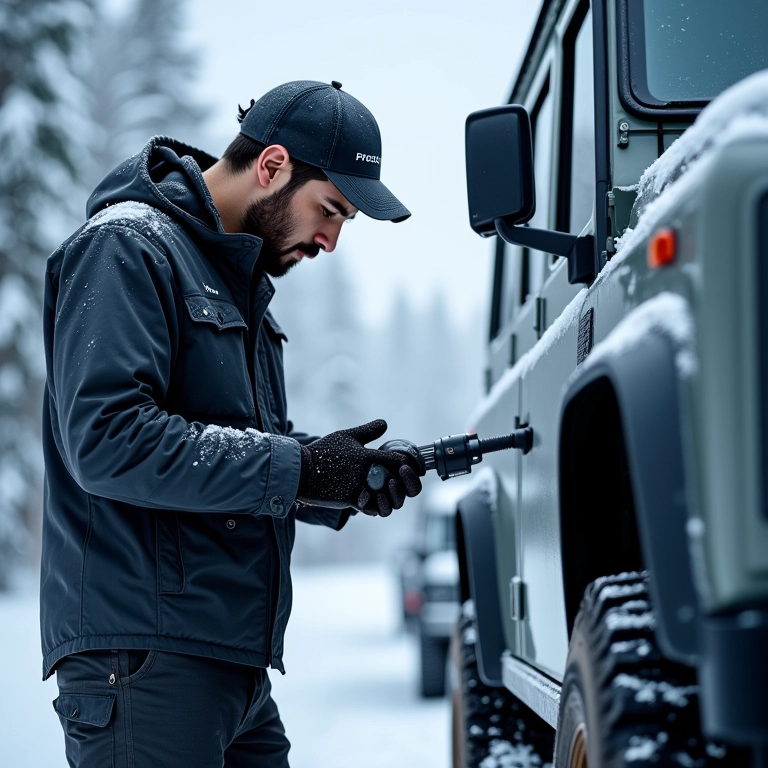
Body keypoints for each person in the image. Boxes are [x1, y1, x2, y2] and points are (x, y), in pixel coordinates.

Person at [41, 80, 423, 767]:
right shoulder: (128, 247)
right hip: (146, 664)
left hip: (229, 666)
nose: (332, 240)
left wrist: (339, 478)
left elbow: (233, 452)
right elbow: (106, 438)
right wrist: (300, 470)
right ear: (272, 166)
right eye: (330, 210)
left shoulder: (234, 287)